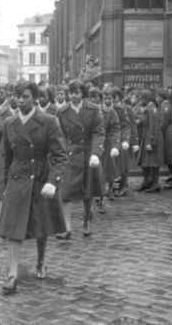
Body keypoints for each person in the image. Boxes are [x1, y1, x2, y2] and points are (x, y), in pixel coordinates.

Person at [0, 81, 67, 294]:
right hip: (18, 178)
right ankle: (12, 273)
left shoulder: (48, 121)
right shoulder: (9, 123)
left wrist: (52, 182)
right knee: (13, 228)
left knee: (40, 224)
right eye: (17, 96)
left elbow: (60, 156)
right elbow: (6, 156)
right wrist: (4, 184)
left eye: (25, 96)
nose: (20, 100)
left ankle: (41, 260)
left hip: (40, 177)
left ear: (35, 98)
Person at [57, 79, 105, 238]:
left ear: (83, 93)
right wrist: (61, 153)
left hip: (88, 155)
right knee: (66, 192)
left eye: (77, 92)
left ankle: (86, 221)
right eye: (71, 93)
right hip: (71, 155)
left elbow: (99, 132)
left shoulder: (93, 109)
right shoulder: (62, 112)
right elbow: (60, 135)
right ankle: (67, 228)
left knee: (87, 190)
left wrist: (95, 153)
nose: (73, 96)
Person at [90, 87, 121, 211]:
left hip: (106, 144)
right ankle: (90, 204)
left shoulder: (111, 112)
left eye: (95, 97)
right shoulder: (89, 111)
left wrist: (115, 145)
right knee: (91, 173)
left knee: (105, 172)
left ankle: (102, 200)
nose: (93, 100)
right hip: (92, 145)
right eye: (91, 97)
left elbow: (116, 129)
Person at [136, 89, 164, 192]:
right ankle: (147, 181)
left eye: (141, 99)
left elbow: (154, 127)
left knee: (154, 162)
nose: (140, 101)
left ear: (146, 98)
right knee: (146, 161)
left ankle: (155, 183)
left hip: (152, 137)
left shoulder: (152, 109)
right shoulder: (149, 108)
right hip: (147, 136)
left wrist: (151, 142)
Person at [111, 86, 136, 196]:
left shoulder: (126, 109)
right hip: (114, 139)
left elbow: (131, 126)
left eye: (114, 97)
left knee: (124, 165)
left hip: (124, 140)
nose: (112, 99)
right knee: (115, 164)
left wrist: (134, 142)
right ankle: (116, 185)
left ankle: (123, 186)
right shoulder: (111, 108)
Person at [156, 88, 172, 189]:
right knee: (169, 158)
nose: (156, 99)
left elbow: (163, 123)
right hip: (166, 133)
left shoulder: (165, 106)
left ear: (162, 97)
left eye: (157, 97)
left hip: (167, 134)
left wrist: (158, 134)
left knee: (171, 158)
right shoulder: (164, 105)